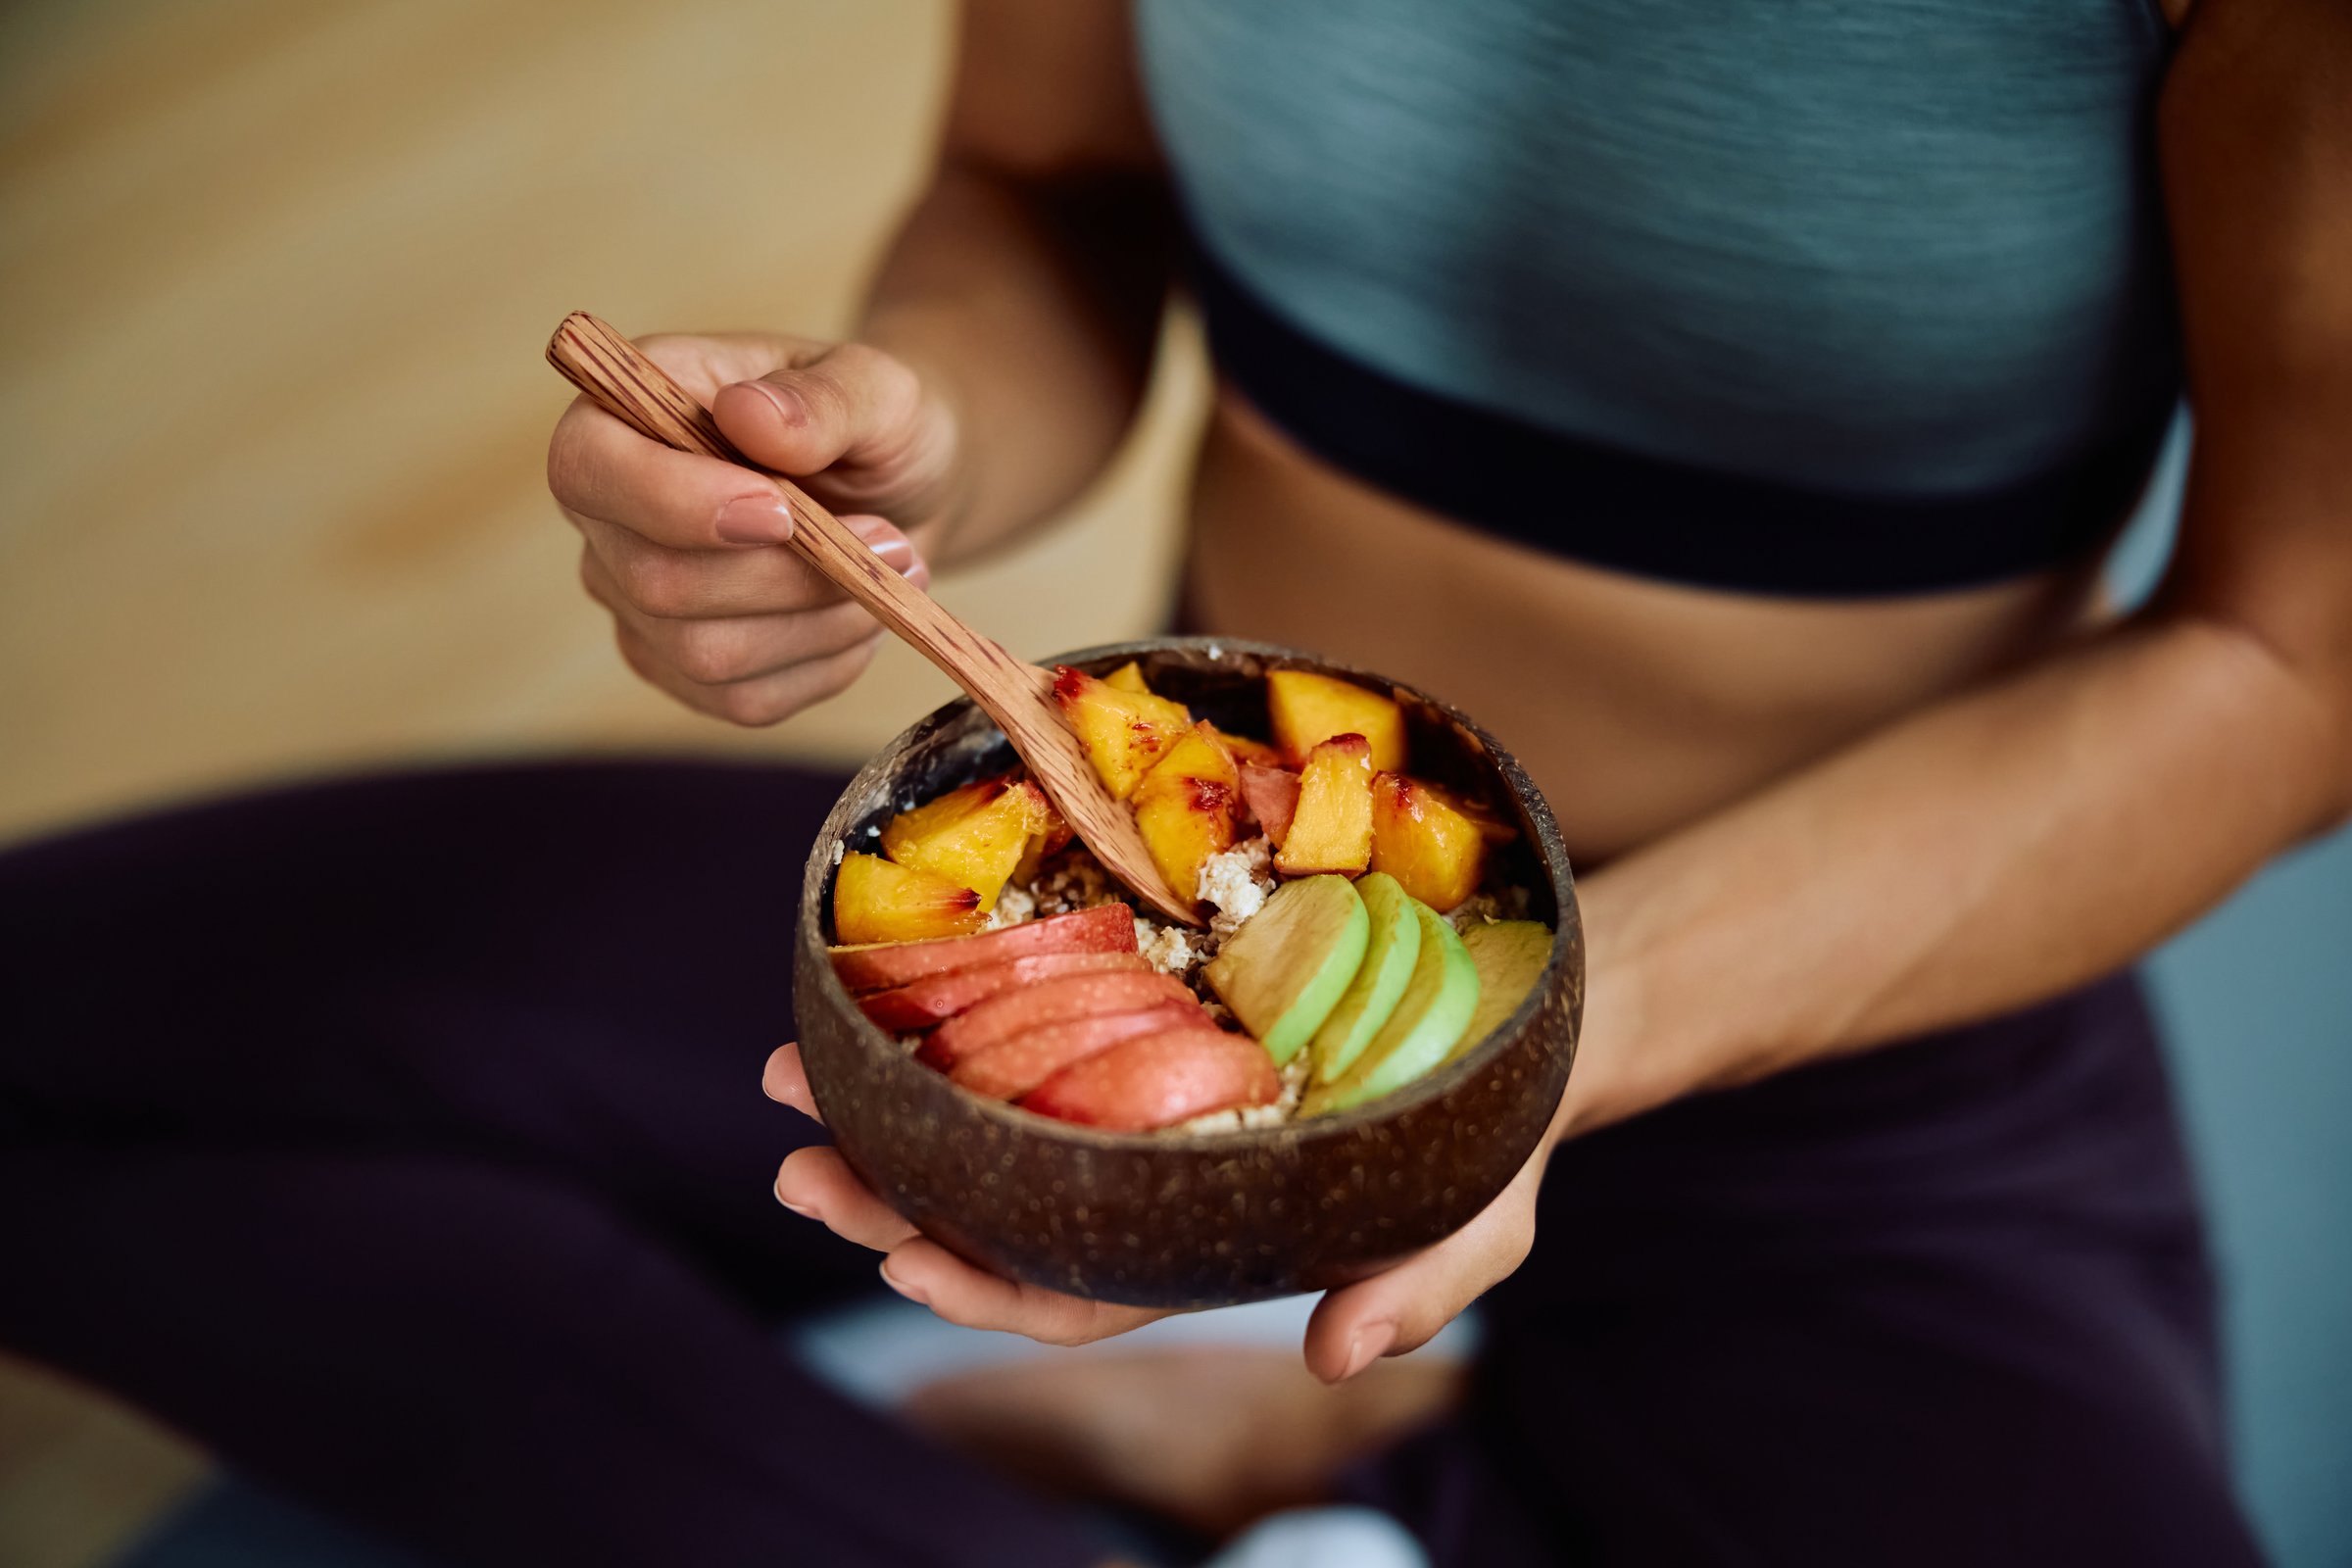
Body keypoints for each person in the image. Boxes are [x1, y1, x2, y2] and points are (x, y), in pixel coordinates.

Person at [4, 1, 2346, 1563]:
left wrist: (1519, 1057)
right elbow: (1045, 190)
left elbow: (2294, 652)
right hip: (1111, 941)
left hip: (1857, 1012)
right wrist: (898, 424)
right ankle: (1230, 1472)